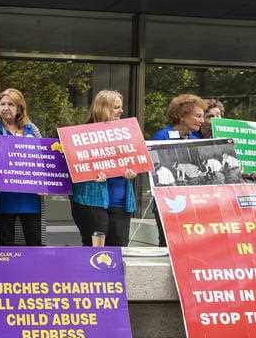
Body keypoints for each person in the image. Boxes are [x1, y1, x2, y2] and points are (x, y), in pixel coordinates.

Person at [69, 91, 137, 247]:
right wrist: (90, 174)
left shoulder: (126, 132)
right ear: (103, 109)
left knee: (118, 249)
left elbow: (134, 160)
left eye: (121, 107)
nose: (121, 111)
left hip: (120, 203)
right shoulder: (80, 135)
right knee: (95, 250)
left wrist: (133, 172)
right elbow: (74, 168)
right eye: (116, 108)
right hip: (91, 202)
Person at [0, 88, 43, 246]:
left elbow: (44, 158)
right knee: (5, 246)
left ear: (19, 108)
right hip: (2, 199)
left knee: (34, 243)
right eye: (2, 104)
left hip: (29, 199)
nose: (6, 108)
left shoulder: (32, 130)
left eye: (11, 104)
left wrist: (45, 184)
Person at [150, 94, 206, 246]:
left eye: (203, 116)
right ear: (182, 116)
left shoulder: (196, 139)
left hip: (192, 202)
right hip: (167, 202)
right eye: (198, 116)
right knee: (168, 243)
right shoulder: (161, 136)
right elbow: (154, 168)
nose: (202, 120)